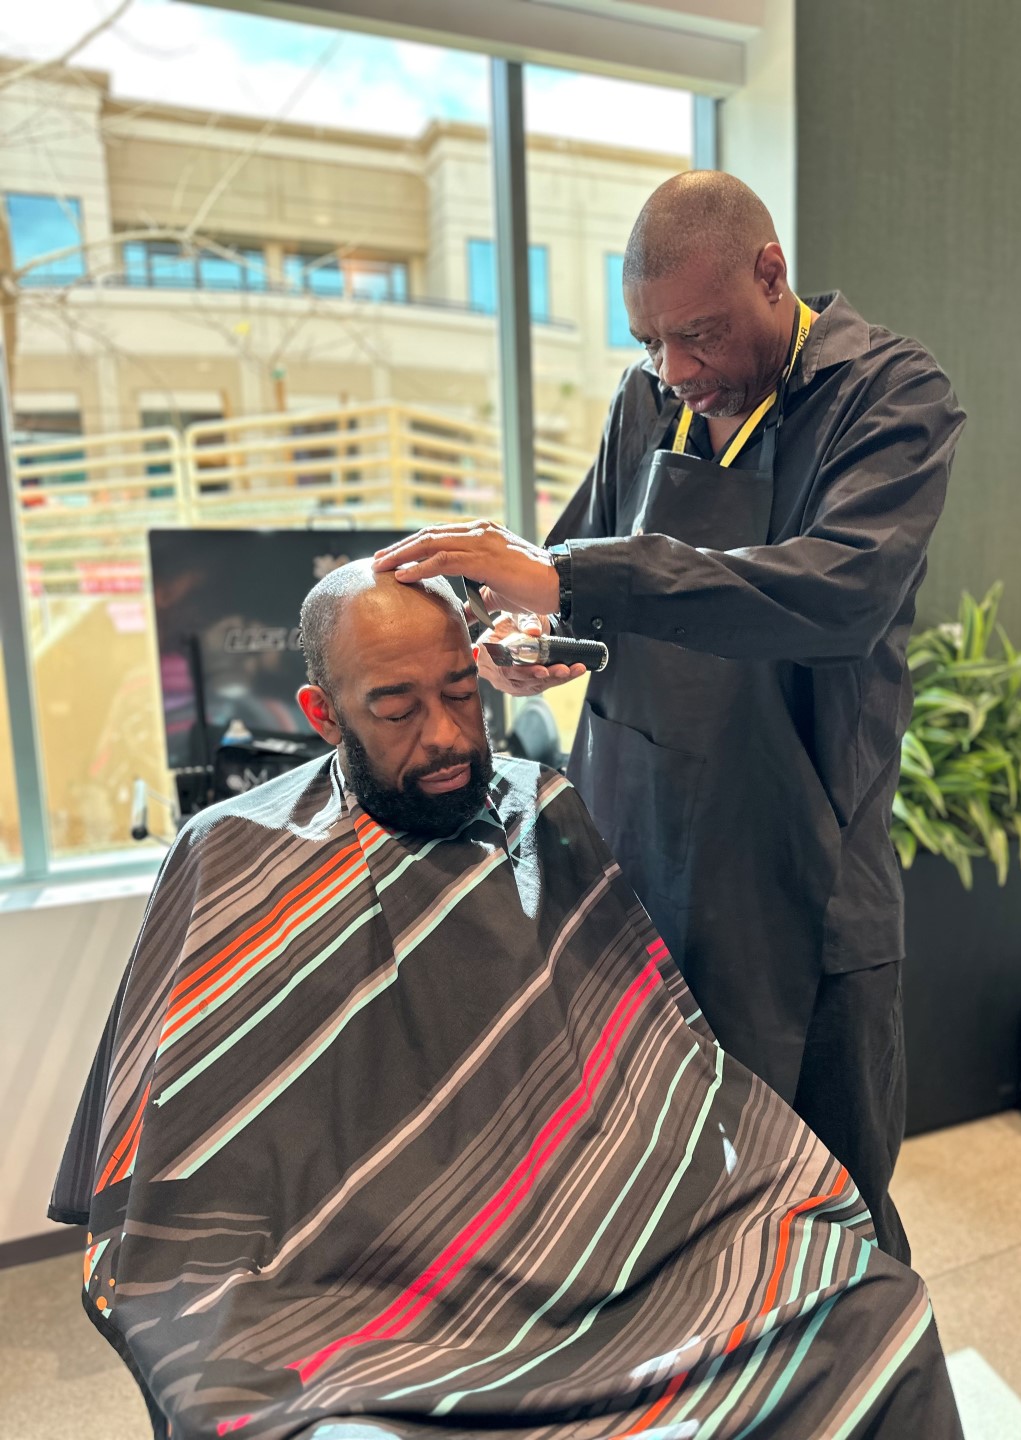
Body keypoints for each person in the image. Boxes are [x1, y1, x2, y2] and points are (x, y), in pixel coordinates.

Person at [50, 563, 964, 1440]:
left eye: (461, 692)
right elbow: (195, 1153)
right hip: (354, 1288)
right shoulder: (230, 857)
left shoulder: (538, 804)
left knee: (871, 1307)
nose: (447, 738)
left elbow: (648, 1052)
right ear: (323, 714)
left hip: (601, 1227)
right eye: (397, 708)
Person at [371, 171, 967, 1265]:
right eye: (650, 341)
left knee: (828, 1211)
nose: (677, 369)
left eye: (699, 334)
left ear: (771, 274)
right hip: (637, 854)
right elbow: (575, 581)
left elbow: (838, 595)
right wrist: (532, 641)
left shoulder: (889, 398)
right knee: (662, 1190)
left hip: (804, 875)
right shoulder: (647, 400)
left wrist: (570, 582)